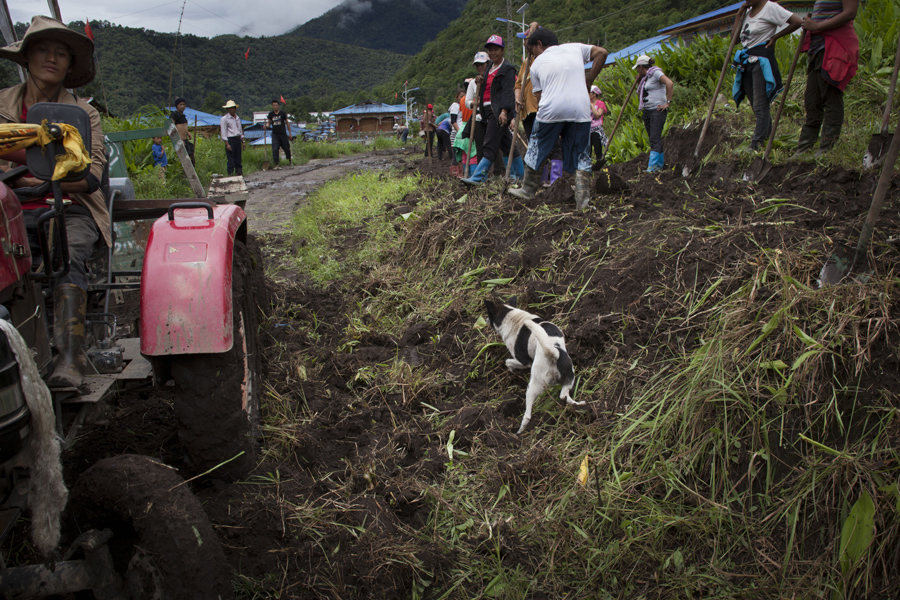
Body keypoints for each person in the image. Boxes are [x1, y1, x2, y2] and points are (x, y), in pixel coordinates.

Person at [0, 15, 112, 388]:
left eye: (60, 53)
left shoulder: (84, 114)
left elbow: (90, 177)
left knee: (66, 250)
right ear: (27, 57)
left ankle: (69, 356)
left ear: (69, 65)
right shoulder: (1, 108)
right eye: (43, 50)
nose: (51, 58)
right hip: (8, 207)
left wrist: (37, 173)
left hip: (69, 207)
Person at [509, 28, 608, 209]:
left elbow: (539, 98)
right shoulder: (575, 48)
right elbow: (602, 53)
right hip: (581, 109)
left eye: (532, 51)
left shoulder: (537, 64)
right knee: (582, 155)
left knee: (536, 146)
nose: (532, 55)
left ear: (539, 45)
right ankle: (583, 202)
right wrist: (589, 80)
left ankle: (527, 189)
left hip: (552, 108)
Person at [733, 0, 802, 151]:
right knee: (755, 106)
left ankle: (755, 145)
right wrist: (739, 14)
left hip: (761, 60)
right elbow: (735, 39)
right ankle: (767, 138)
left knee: (760, 105)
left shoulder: (770, 7)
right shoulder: (747, 12)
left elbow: (796, 22)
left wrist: (776, 37)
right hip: (747, 62)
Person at [794, 0, 859, 157]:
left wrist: (816, 26)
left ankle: (826, 147)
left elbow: (850, 12)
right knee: (812, 100)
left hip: (833, 47)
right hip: (817, 50)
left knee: (830, 97)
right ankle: (804, 147)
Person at [461, 34, 524, 186]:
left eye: (496, 49)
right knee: (507, 145)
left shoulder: (507, 69)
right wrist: (481, 82)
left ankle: (478, 177)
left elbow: (508, 92)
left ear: (502, 50)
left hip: (498, 112)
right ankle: (521, 176)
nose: (493, 52)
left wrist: (504, 111)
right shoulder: (490, 67)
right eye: (490, 50)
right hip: (487, 111)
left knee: (489, 144)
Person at [633, 55, 675, 172]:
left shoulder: (655, 73)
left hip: (657, 111)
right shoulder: (645, 78)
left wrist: (668, 102)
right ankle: (658, 166)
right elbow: (643, 92)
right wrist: (638, 81)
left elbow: (669, 83)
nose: (637, 70)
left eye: (638, 68)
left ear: (641, 67)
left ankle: (652, 168)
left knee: (655, 138)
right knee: (654, 139)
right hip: (647, 111)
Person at [460, 52, 490, 171]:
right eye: (477, 65)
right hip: (478, 118)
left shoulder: (491, 80)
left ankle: (497, 173)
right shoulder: (473, 83)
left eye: (482, 64)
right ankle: (482, 175)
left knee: (493, 147)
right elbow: (467, 102)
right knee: (480, 148)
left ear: (488, 64)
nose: (480, 67)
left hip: (491, 116)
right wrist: (474, 103)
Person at [266, 99, 293, 169]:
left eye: (276, 105)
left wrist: (290, 133)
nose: (275, 106)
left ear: (278, 106)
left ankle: (290, 161)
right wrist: (266, 126)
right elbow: (268, 123)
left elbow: (287, 123)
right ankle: (276, 164)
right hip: (275, 134)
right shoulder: (271, 114)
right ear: (272, 106)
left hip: (283, 134)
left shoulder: (282, 114)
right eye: (274, 105)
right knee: (275, 149)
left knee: (286, 148)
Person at [220, 99, 244, 176]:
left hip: (237, 139)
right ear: (227, 109)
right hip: (230, 139)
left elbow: (240, 130)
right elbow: (223, 132)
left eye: (233, 108)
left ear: (235, 108)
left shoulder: (237, 118)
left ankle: (239, 175)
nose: (232, 109)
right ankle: (230, 175)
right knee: (231, 159)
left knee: (238, 159)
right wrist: (227, 144)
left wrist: (242, 141)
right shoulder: (224, 119)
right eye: (230, 108)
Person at [170, 96, 195, 165]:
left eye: (184, 104)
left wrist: (188, 133)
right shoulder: (174, 115)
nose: (182, 106)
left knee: (191, 159)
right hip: (180, 141)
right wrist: (178, 140)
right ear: (177, 106)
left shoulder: (183, 116)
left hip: (186, 140)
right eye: (180, 104)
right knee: (184, 161)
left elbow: (184, 127)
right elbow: (171, 128)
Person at [589, 85, 608, 169]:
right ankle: (588, 164)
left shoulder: (600, 104)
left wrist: (592, 106)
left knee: (597, 143)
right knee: (587, 147)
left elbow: (597, 115)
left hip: (596, 129)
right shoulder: (586, 102)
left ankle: (599, 161)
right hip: (587, 129)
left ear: (594, 94)